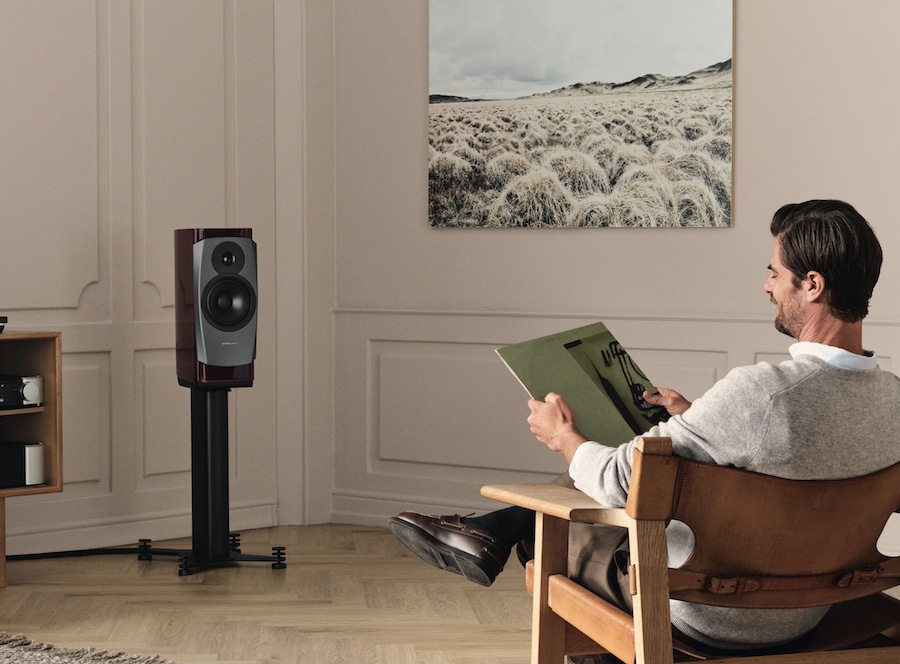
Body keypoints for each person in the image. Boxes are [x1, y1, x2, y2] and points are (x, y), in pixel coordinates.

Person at [390, 199, 900, 654]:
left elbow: (615, 479)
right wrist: (693, 418)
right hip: (808, 613)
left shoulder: (760, 393)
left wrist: (563, 436)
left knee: (560, 521)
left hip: (702, 612)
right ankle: (487, 532)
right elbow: (803, 452)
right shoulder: (893, 400)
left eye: (775, 273)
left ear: (813, 285)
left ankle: (494, 535)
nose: (766, 285)